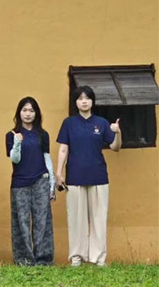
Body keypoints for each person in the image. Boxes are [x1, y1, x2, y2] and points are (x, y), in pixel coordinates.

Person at [56, 85, 121, 267]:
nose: (84, 101)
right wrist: (58, 172)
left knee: (99, 219)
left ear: (92, 101)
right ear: (75, 102)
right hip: (74, 177)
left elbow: (115, 147)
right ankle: (77, 257)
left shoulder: (101, 123)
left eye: (87, 98)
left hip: (98, 176)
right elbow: (63, 149)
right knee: (76, 219)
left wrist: (117, 132)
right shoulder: (69, 123)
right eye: (80, 98)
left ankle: (99, 258)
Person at [6, 97, 54, 266]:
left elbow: (47, 158)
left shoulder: (42, 134)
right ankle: (23, 259)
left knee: (43, 221)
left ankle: (43, 259)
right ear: (19, 113)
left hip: (41, 180)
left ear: (36, 114)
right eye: (24, 110)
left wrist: (52, 183)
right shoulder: (12, 134)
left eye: (31, 111)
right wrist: (17, 143)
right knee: (21, 223)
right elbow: (14, 159)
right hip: (20, 183)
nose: (28, 114)